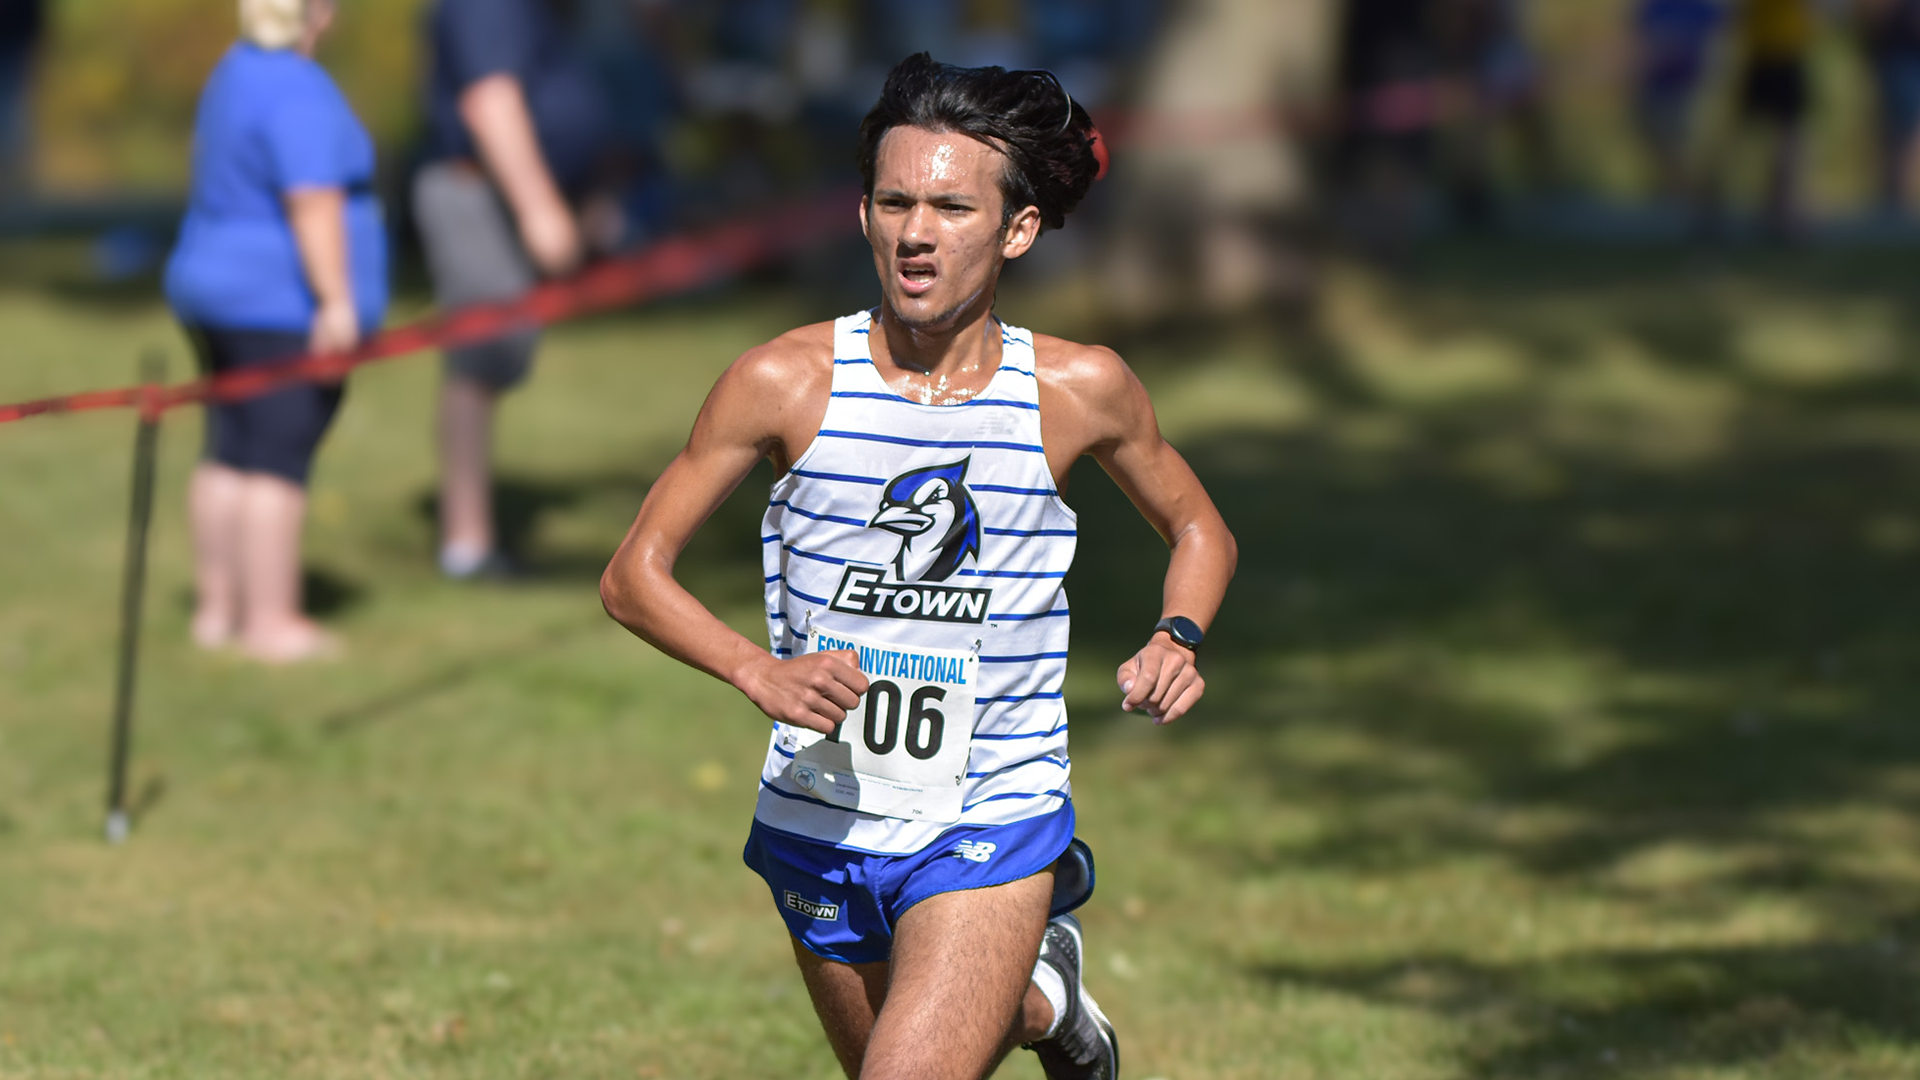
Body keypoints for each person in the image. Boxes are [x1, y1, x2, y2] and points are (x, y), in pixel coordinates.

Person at [601, 54, 1236, 1080]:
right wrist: (756, 671)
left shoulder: (1078, 390)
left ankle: (1027, 966)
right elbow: (633, 574)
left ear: (1016, 230)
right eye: (894, 201)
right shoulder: (783, 382)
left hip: (992, 810)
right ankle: (1043, 997)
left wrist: (1178, 634)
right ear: (862, 215)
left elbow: (1202, 531)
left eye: (950, 205)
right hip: (822, 811)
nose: (916, 232)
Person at [163, 0, 386, 663]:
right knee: (276, 460)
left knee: (229, 448)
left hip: (213, 288)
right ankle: (271, 622)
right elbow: (313, 199)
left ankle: (216, 611)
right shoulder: (297, 90)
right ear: (313, 13)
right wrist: (336, 302)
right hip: (277, 304)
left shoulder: (236, 69)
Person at [415, 0, 609, 579]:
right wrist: (539, 210)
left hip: (503, 196)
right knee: (479, 364)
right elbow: (490, 101)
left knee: (493, 365)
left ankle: (472, 537)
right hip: (480, 193)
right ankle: (467, 545)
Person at [1630, 0, 1725, 201]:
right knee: (1651, 134)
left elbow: (1717, 30)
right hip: (1655, 81)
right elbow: (1643, 35)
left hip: (1682, 81)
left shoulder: (1701, 8)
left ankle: (1682, 191)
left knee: (1674, 139)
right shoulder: (1656, 6)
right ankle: (1674, 187)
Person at [1856, 0, 1920, 214]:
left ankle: (1894, 200)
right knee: (1900, 135)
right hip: (1900, 61)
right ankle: (1894, 202)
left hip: (1903, 61)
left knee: (1901, 135)